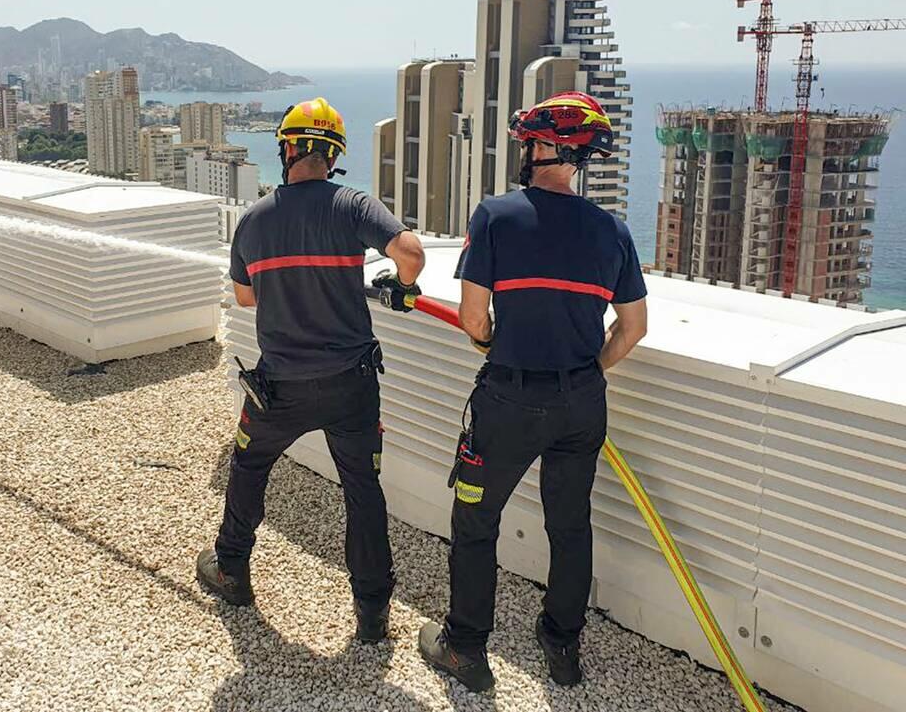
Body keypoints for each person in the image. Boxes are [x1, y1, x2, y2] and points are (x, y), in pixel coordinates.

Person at [417, 92, 648, 691]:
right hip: (581, 402)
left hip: (510, 401)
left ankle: (466, 649)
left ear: (540, 148)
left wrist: (493, 342)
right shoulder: (612, 232)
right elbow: (634, 327)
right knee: (570, 526)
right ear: (579, 157)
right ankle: (562, 647)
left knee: (476, 519)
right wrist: (586, 369)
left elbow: (474, 320)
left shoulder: (496, 216)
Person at [197, 97, 426, 642]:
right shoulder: (352, 206)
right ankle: (372, 614)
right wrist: (402, 285)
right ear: (334, 155)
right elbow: (411, 252)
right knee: (362, 491)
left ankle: (232, 567)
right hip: (352, 384)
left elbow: (245, 300)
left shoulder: (254, 219)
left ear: (288, 149)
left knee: (249, 467)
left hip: (281, 386)